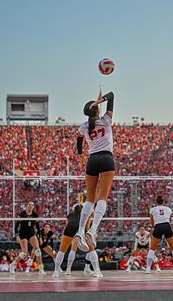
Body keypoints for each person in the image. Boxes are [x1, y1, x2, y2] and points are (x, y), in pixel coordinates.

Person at [74, 91, 115, 252]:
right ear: (97, 110)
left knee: (89, 199)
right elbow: (112, 95)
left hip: (92, 160)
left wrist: (79, 152)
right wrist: (102, 100)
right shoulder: (106, 121)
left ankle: (80, 231)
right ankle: (92, 230)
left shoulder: (84, 127)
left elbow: (78, 138)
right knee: (102, 198)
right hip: (106, 158)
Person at [53, 195, 102, 278]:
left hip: (70, 226)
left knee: (62, 250)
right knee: (91, 249)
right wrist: (88, 232)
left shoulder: (75, 206)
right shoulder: (90, 207)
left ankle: (56, 272)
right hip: (81, 227)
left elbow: (68, 221)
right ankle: (97, 271)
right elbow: (89, 220)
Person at [146, 196, 173, 274]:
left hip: (158, 226)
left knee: (152, 248)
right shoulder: (168, 209)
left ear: (156, 202)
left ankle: (148, 269)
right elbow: (170, 220)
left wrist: (155, 227)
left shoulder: (152, 210)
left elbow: (152, 222)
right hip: (166, 226)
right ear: (163, 202)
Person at [10, 202, 45, 275]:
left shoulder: (35, 215)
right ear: (26, 206)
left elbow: (38, 227)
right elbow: (16, 226)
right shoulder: (22, 214)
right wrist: (16, 235)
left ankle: (41, 268)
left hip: (31, 233)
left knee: (37, 250)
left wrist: (40, 237)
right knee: (24, 253)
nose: (31, 206)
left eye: (32, 205)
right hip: (23, 233)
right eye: (29, 205)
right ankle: (13, 264)